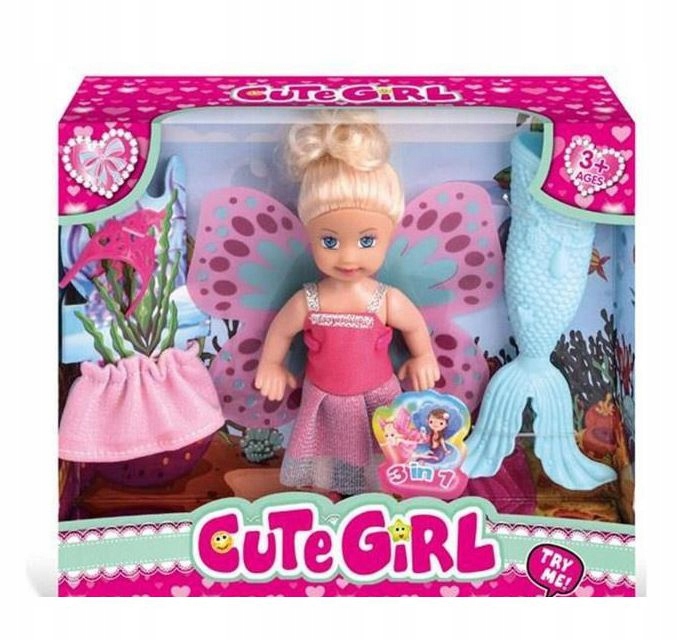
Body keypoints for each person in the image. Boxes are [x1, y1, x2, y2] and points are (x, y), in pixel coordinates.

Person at [254, 111, 440, 494]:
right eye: (330, 241)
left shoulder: (384, 299)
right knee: (323, 460)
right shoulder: (309, 299)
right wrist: (271, 364)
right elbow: (281, 331)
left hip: (378, 397)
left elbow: (414, 325)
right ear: (310, 236)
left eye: (367, 241)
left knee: (381, 457)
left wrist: (423, 356)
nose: (348, 256)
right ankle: (326, 504)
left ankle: (379, 501)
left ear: (389, 236)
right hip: (324, 398)